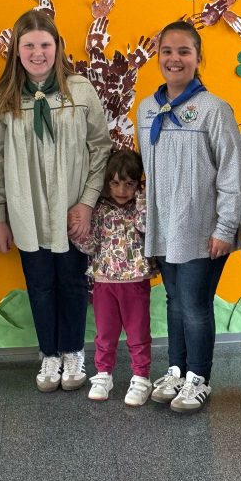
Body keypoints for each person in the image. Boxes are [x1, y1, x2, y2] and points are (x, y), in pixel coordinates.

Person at [0, 10, 112, 393]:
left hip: (72, 209)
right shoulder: (2, 99)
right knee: (39, 285)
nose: (37, 53)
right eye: (29, 45)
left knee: (72, 282)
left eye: (45, 44)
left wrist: (87, 203)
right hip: (27, 211)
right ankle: (49, 354)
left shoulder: (79, 90)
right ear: (16, 50)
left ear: (57, 47)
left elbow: (100, 148)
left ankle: (73, 350)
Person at [138, 20, 241, 413]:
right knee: (174, 300)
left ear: (199, 58)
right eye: (167, 51)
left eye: (184, 51)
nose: (175, 58)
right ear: (158, 56)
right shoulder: (147, 109)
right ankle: (177, 370)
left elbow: (233, 173)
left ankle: (199, 378)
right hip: (166, 227)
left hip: (203, 229)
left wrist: (225, 227)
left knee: (195, 304)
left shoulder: (214, 110)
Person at [73, 149, 157, 406]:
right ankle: (103, 375)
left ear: (138, 184)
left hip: (135, 282)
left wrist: (142, 197)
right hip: (104, 282)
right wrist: (76, 232)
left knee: (138, 334)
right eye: (116, 183)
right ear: (107, 183)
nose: (122, 190)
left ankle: (141, 377)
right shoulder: (100, 209)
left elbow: (146, 227)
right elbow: (91, 245)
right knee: (105, 334)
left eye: (129, 184)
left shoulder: (139, 209)